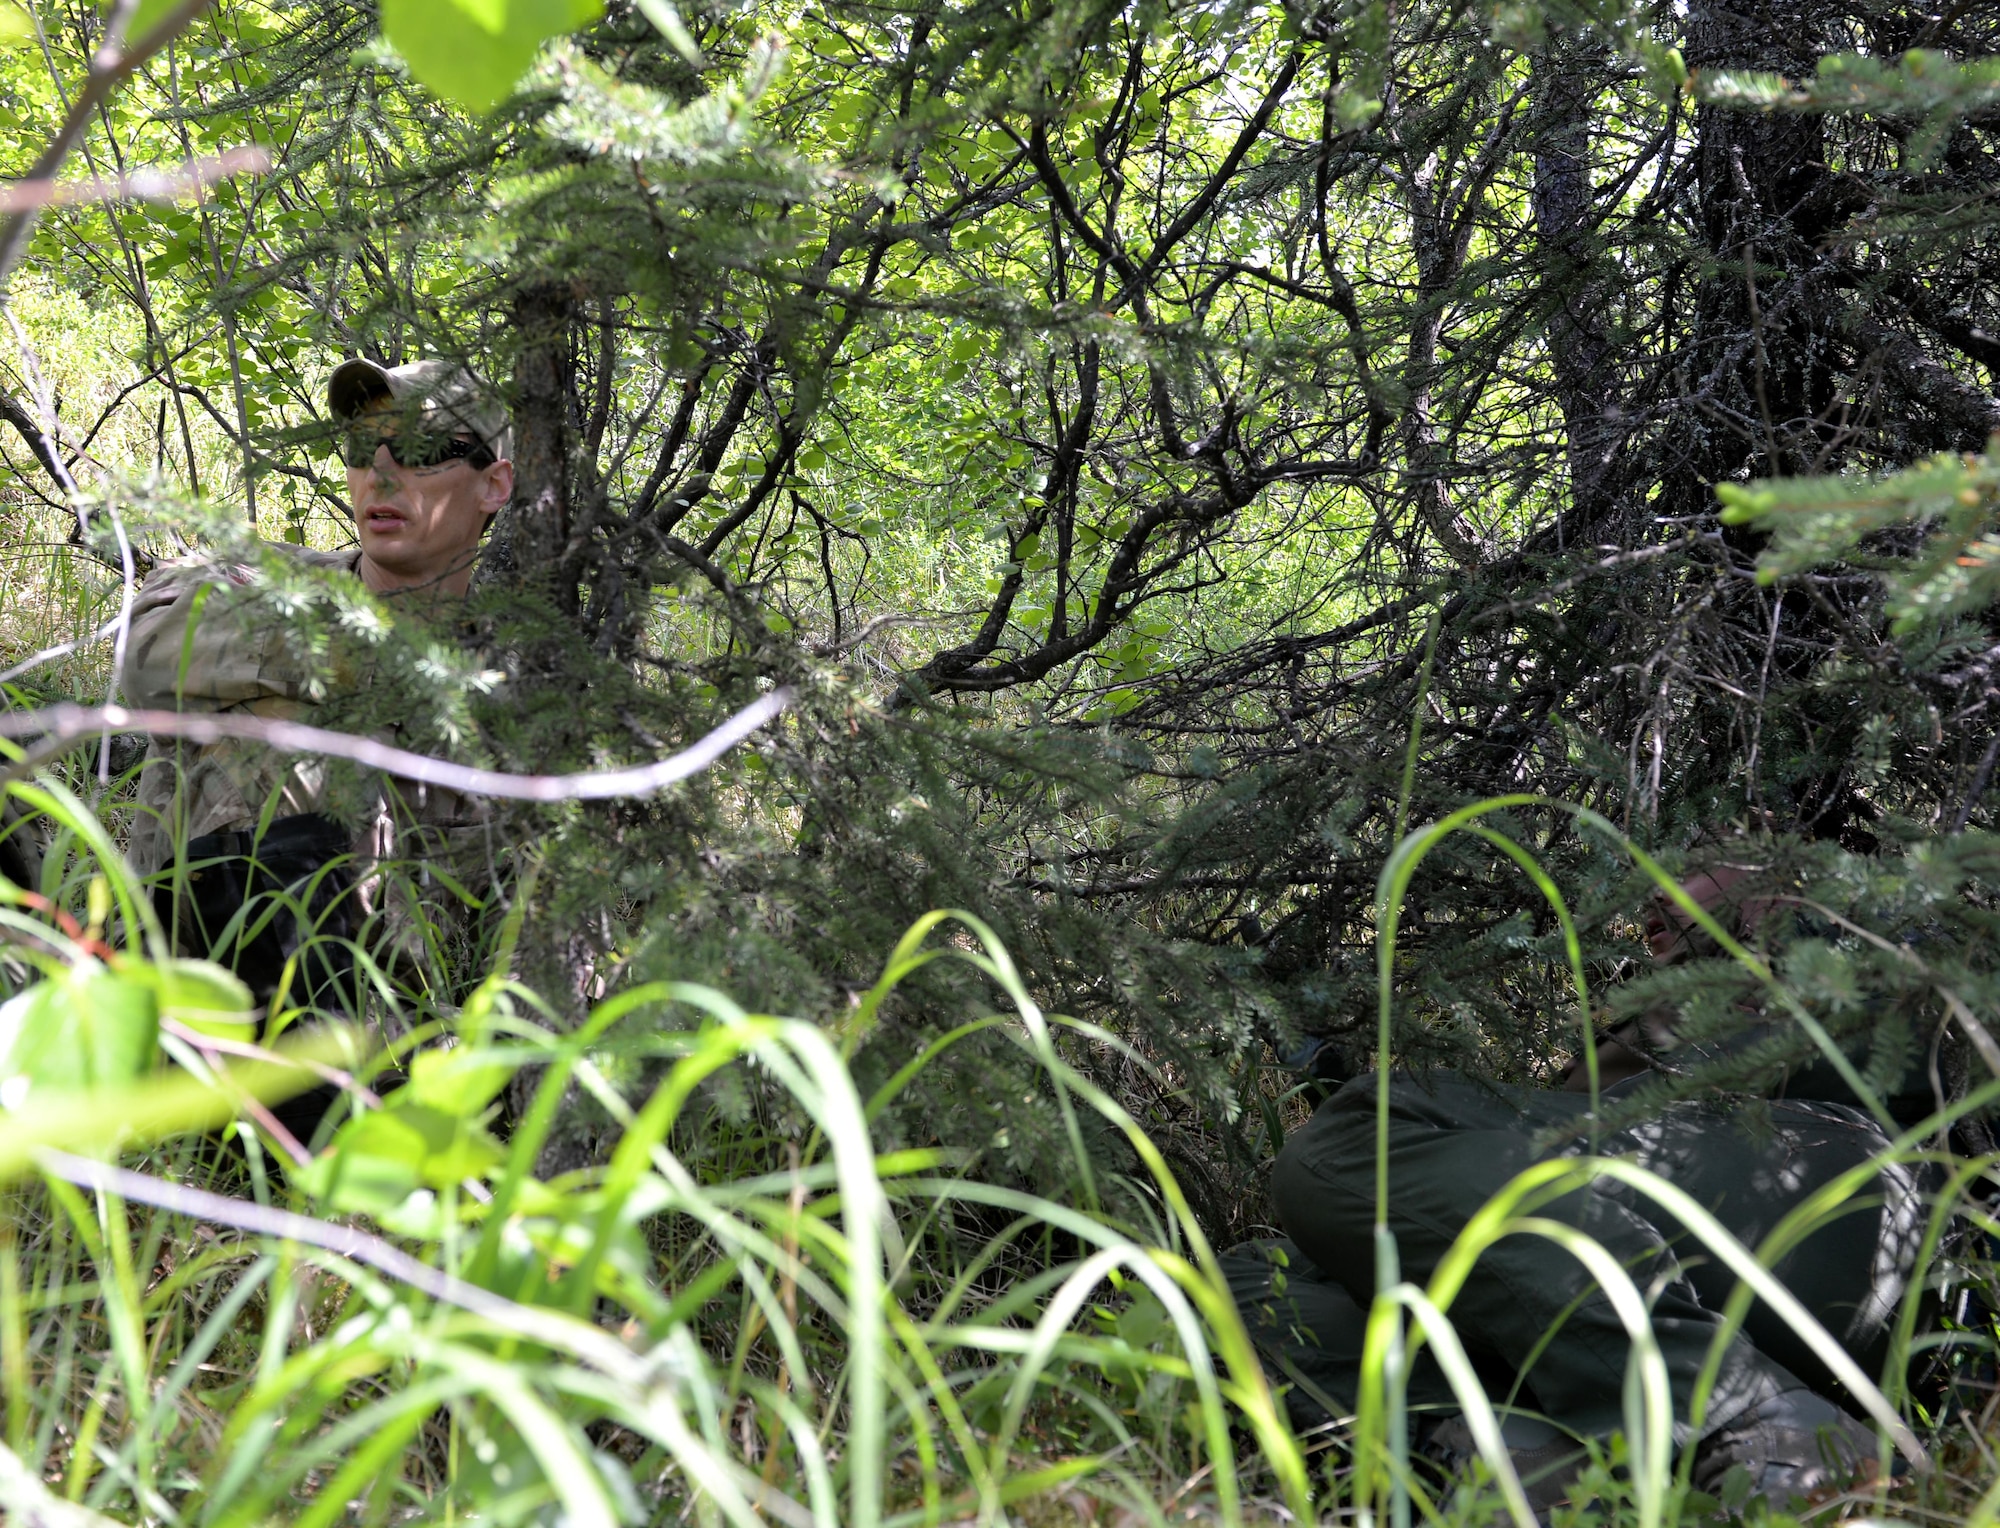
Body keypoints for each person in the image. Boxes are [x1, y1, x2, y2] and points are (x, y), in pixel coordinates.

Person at [1223, 861, 1936, 1509]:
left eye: (1690, 867)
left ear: (1783, 872)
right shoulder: (1642, 1024)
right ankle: (1535, 1467)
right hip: (1699, 1259)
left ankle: (1760, 1423)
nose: (1655, 891)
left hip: (1837, 1188)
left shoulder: (1863, 959)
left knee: (1358, 1135)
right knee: (1256, 1279)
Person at [119, 357, 514, 1134]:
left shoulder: (518, 680)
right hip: (187, 970)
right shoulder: (262, 578)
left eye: (425, 449)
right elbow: (145, 647)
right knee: (288, 753)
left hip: (398, 1032)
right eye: (365, 448)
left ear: (493, 485)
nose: (384, 473)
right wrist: (357, 657)